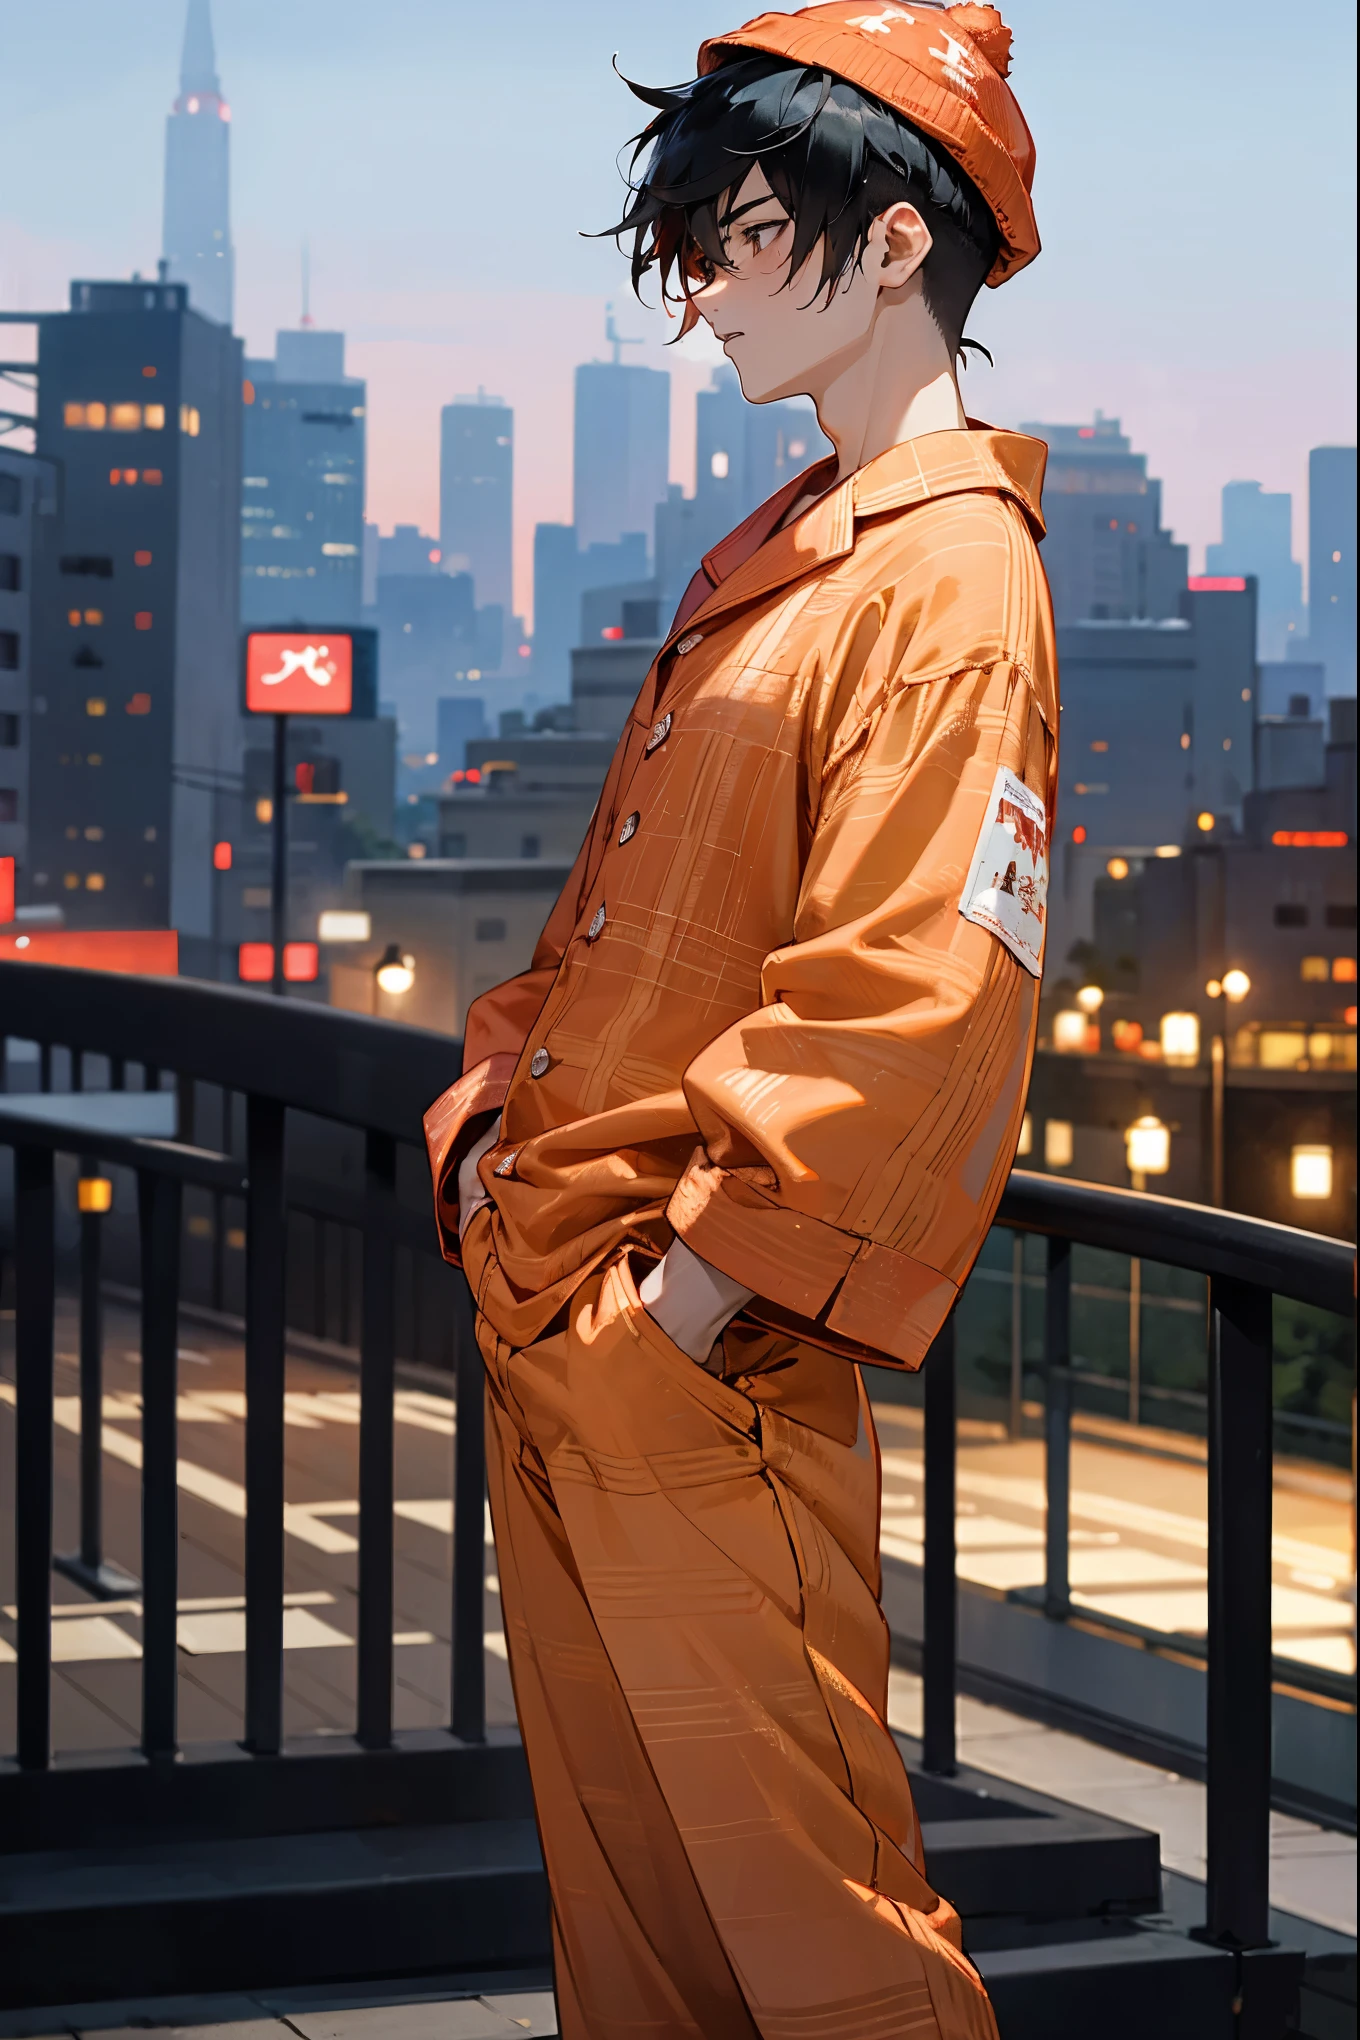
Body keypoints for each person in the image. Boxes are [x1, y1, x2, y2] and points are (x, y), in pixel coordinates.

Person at [425, 7, 1055, 2033]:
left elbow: (915, 986)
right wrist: (481, 1147)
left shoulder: (950, 580)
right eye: (688, 242)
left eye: (738, 232)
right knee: (631, 1933)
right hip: (573, 1302)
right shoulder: (786, 552)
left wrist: (689, 1305)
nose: (699, 289)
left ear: (891, 246)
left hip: (699, 1357)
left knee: (818, 1946)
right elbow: (599, 923)